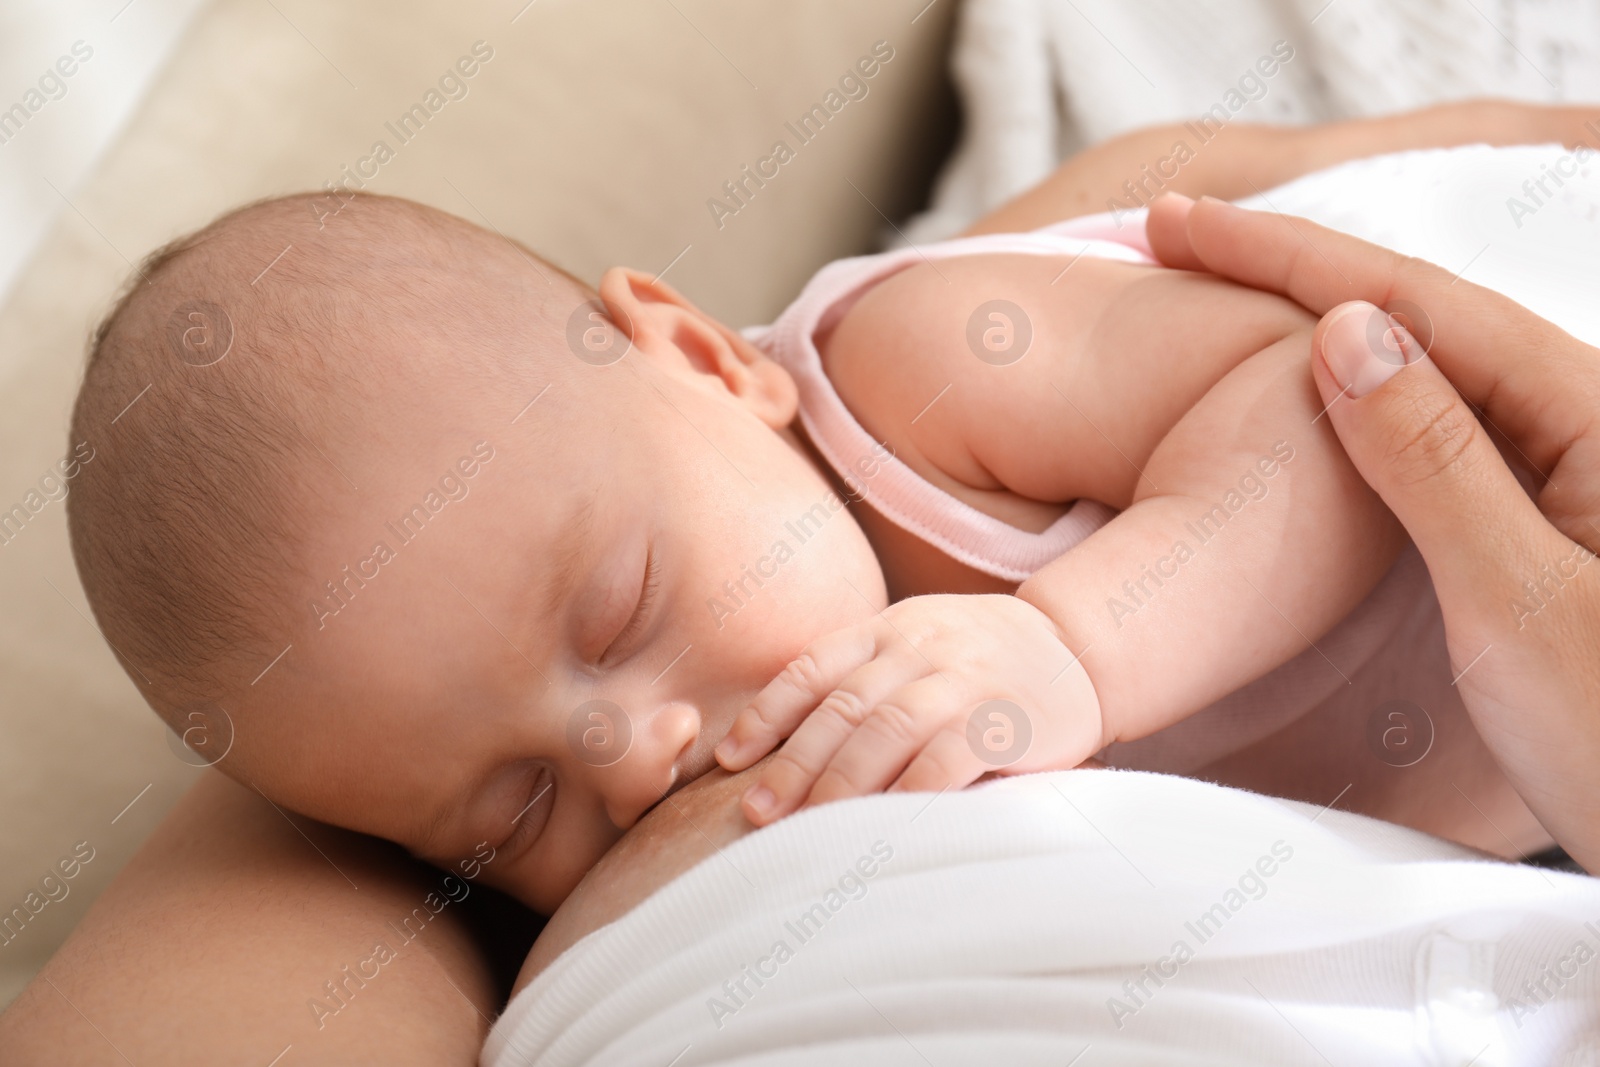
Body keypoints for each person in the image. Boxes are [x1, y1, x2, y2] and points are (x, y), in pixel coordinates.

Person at [5, 101, 1600, 1062]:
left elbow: (1319, 413)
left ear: (709, 358)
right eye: (508, 815)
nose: (633, 760)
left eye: (617, 610)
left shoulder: (909, 382)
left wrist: (1074, 646)